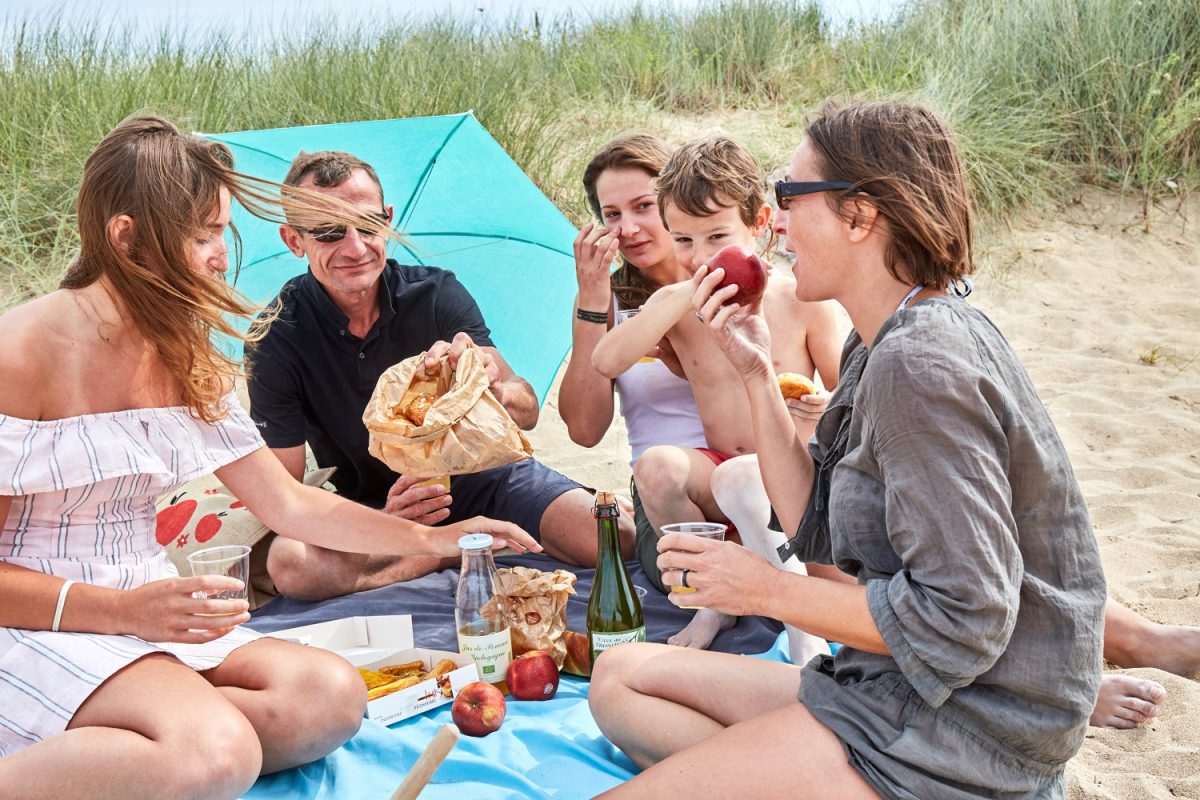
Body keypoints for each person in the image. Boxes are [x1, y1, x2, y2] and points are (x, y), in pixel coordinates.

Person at [0, 116, 539, 799]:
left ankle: (149, 746)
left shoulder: (182, 352)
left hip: (155, 611)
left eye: (222, 232)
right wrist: (124, 612)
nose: (220, 257)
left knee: (328, 699)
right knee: (218, 755)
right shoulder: (19, 353)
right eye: (203, 235)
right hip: (41, 621)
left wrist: (434, 541)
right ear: (126, 238)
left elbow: (285, 502)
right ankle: (174, 746)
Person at [589, 99, 1110, 798]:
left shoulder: (919, 365)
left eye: (789, 196)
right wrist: (755, 375)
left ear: (859, 216)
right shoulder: (883, 338)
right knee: (619, 677)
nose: (775, 222)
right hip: (891, 684)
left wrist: (762, 588)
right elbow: (817, 528)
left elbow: (964, 621)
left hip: (960, 730)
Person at [245, 150, 629, 602]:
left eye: (367, 225)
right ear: (294, 240)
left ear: (388, 220)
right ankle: (448, 551)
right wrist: (387, 524)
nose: (355, 248)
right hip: (374, 506)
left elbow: (526, 411)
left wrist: (493, 388)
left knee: (614, 537)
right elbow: (283, 494)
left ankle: (444, 549)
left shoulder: (434, 292)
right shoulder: (275, 334)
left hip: (488, 479)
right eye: (329, 232)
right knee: (290, 564)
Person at [591, 136, 843, 654]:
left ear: (759, 223)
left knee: (742, 476)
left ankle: (805, 633)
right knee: (657, 468)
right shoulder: (679, 305)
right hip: (720, 471)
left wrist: (824, 408)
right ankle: (712, 599)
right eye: (683, 240)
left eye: (717, 237)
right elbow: (607, 360)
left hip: (796, 473)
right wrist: (684, 294)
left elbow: (851, 388)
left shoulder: (800, 299)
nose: (701, 256)